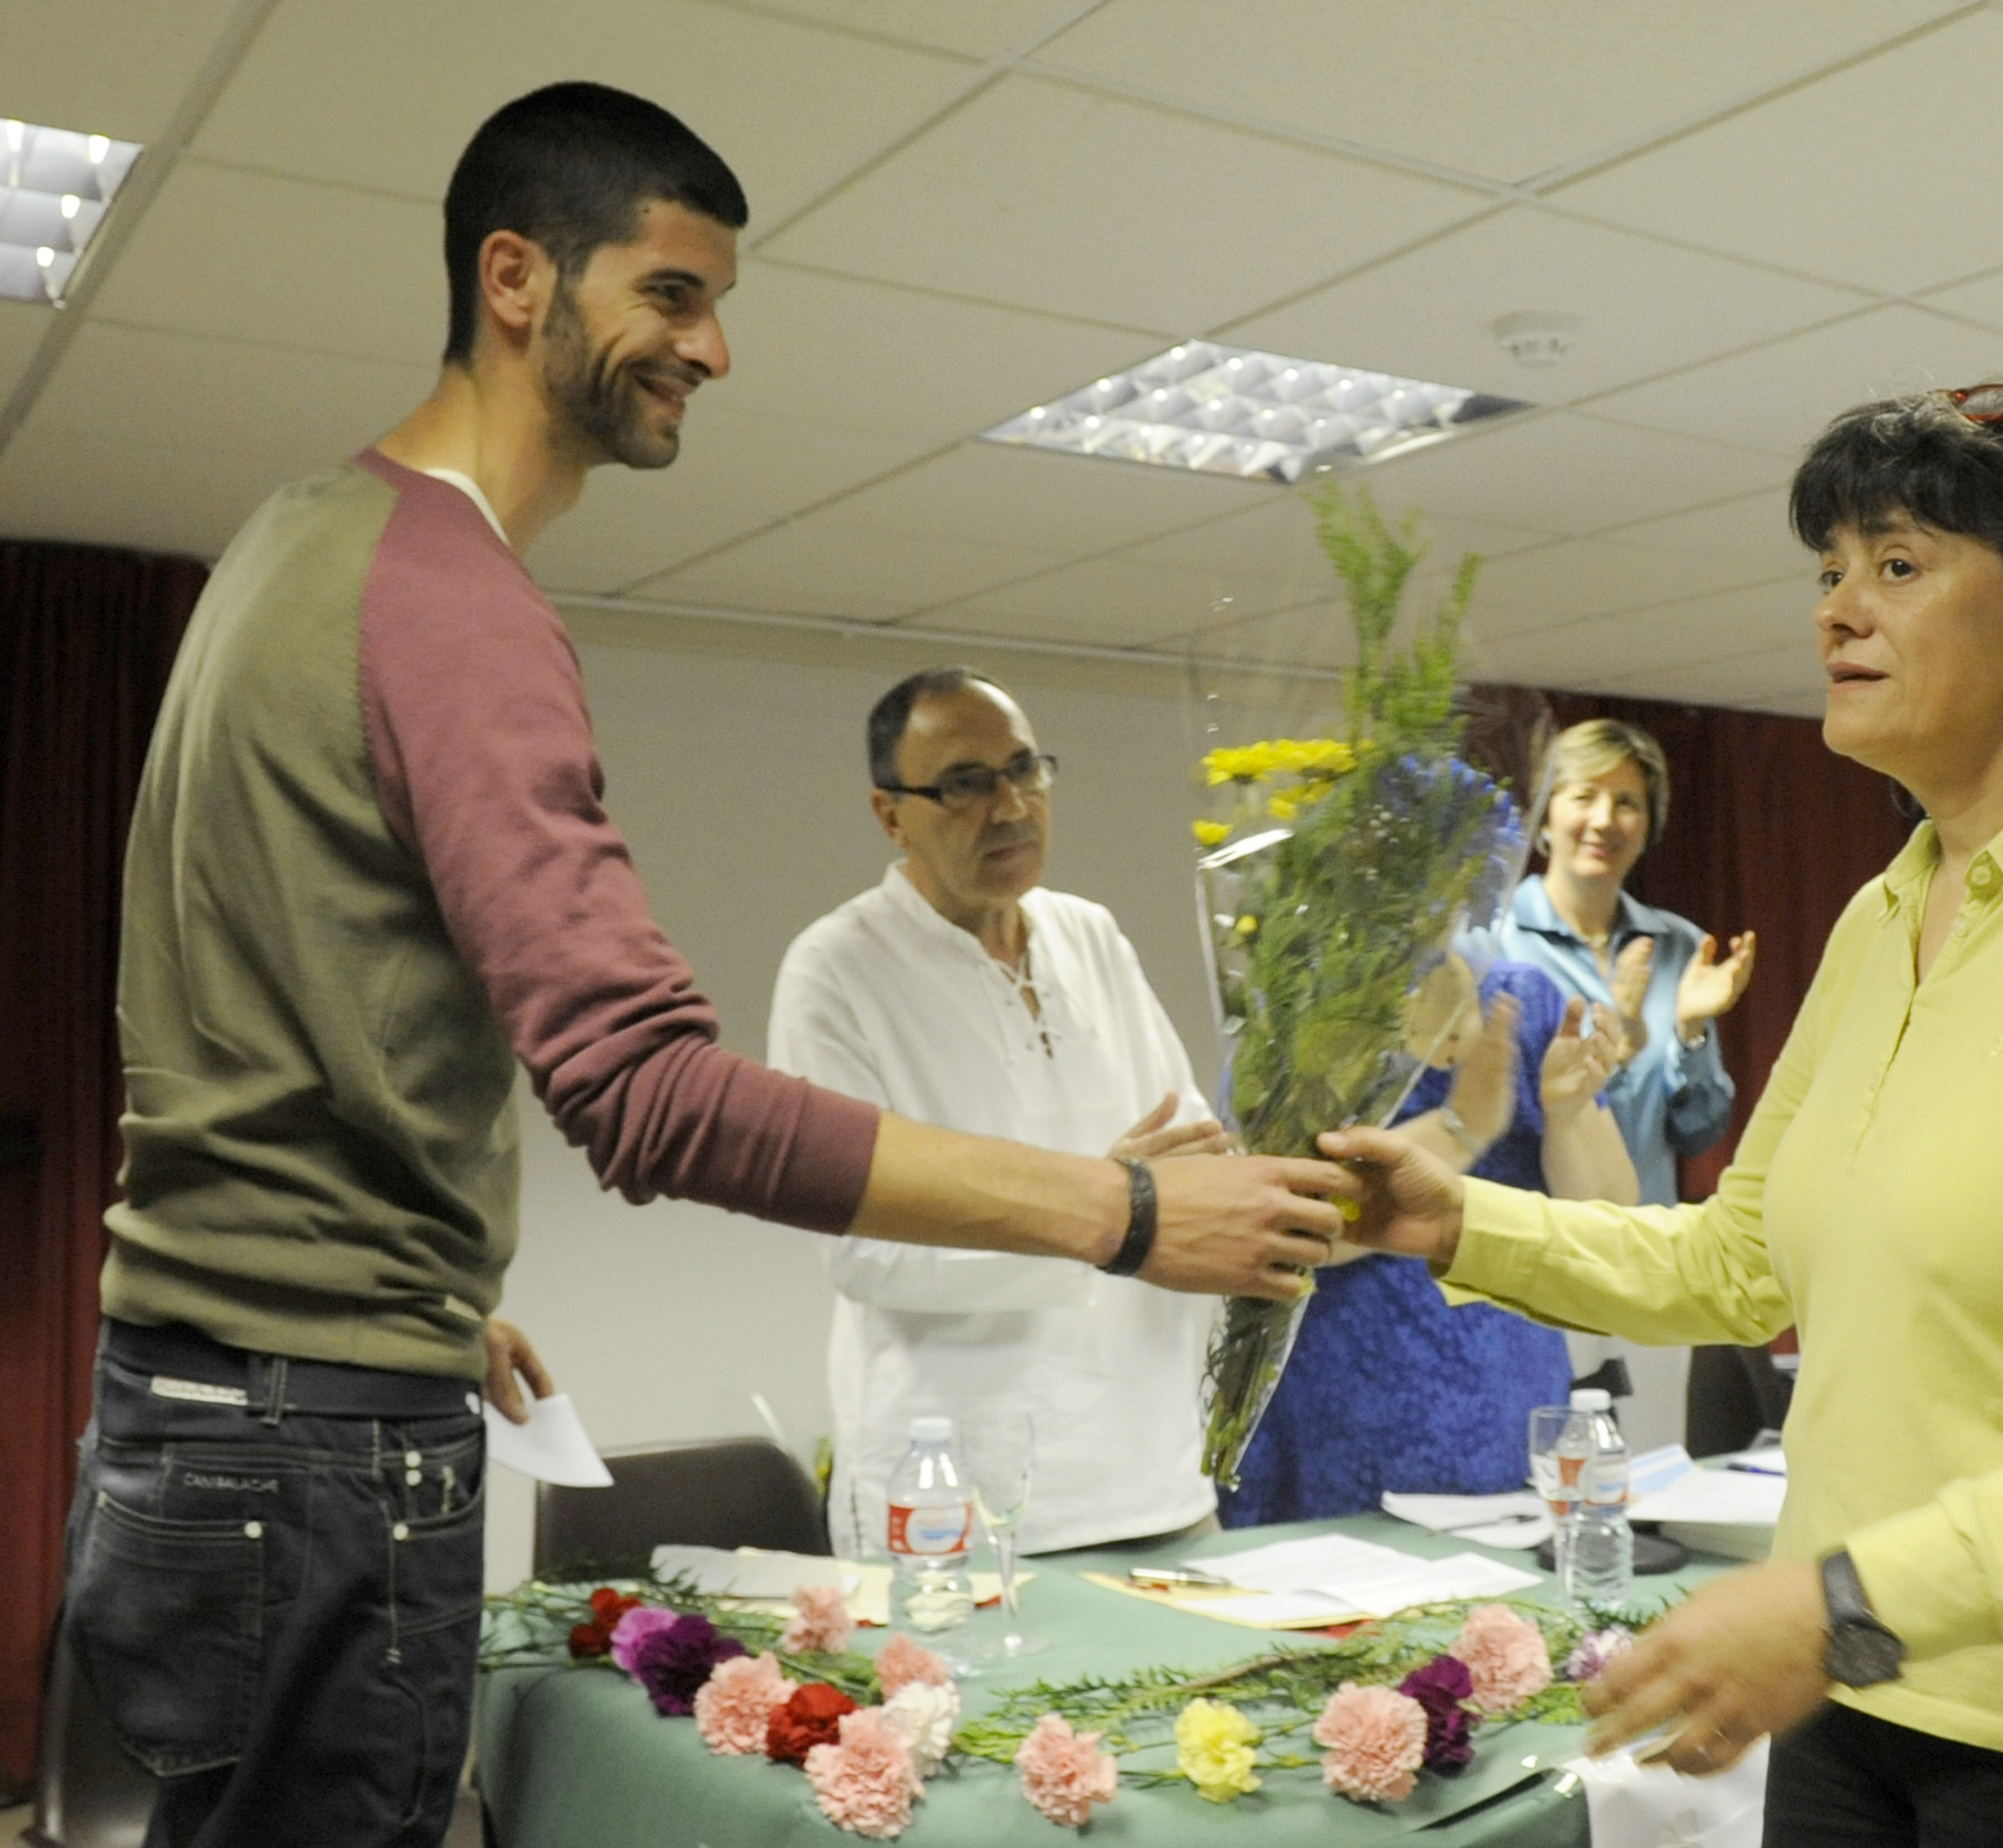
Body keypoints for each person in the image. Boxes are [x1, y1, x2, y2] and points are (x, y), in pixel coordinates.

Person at [64, 85, 1343, 1848]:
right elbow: (646, 1095)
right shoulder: (456, 604)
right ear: (517, 279)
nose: (713, 347)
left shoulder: (297, 536)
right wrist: (1115, 1209)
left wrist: (404, 1274)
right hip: (313, 1447)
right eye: (669, 294)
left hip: (207, 1389)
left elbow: (252, 1013)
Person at [1326, 380, 2003, 1845]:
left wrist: (1849, 1607)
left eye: (1898, 566)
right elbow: (1742, 1263)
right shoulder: (1888, 912)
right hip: (1858, 1700)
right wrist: (1455, 1220)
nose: (1836, 614)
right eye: (1827, 572)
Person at [770, 668, 1252, 1557]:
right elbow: (863, 1248)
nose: (1010, 806)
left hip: (1159, 1480)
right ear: (891, 814)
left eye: (1025, 770)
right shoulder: (836, 970)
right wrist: (1109, 1207)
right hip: (965, 1504)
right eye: (965, 783)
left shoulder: (1091, 935)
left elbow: (1192, 1162)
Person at [1219, 959, 1635, 1525]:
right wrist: (1462, 1127)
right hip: (1339, 1404)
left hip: (1514, 1397)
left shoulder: (1523, 997)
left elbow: (1609, 1221)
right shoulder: (1302, 1010)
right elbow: (1286, 1220)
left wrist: (1565, 1117)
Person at [1494, 718, 1752, 1207]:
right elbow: (1490, 1118)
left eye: (1627, 802)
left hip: (1644, 1243)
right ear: (1545, 813)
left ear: (1649, 823)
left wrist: (1691, 1031)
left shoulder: (1680, 946)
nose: (1605, 820)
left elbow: (1699, 1134)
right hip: (1536, 1239)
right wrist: (1617, 1042)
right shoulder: (1494, 942)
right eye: (1584, 796)